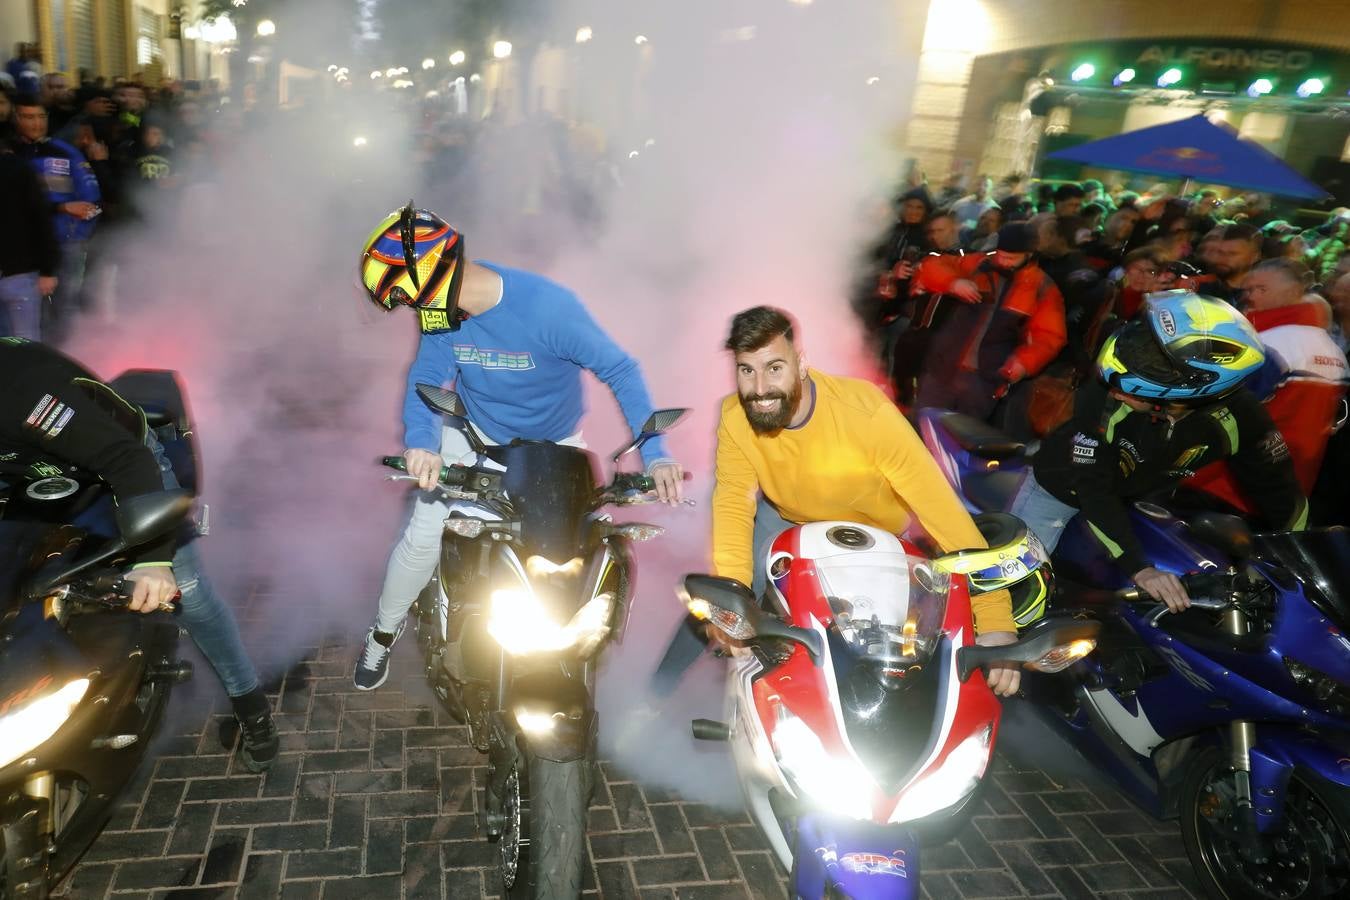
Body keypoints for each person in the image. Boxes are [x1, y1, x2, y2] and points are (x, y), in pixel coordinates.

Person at [353, 204, 684, 690]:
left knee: (574, 552)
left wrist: (655, 456)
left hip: (555, 446)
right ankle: (382, 633)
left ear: (437, 277)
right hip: (473, 438)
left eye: (412, 296)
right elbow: (426, 378)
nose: (414, 310)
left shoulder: (547, 309)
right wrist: (422, 445)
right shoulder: (441, 317)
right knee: (422, 534)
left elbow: (621, 369)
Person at [652, 307, 1022, 698]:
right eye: (747, 371)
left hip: (873, 536)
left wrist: (996, 618)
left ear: (802, 364)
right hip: (787, 521)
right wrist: (731, 599)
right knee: (716, 599)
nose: (760, 388)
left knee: (878, 639)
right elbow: (733, 502)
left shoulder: (865, 411)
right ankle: (651, 701)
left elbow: (940, 507)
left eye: (774, 368)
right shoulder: (734, 415)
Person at [0, 338, 279, 771]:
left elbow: (125, 459)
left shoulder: (18, 387)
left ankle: (253, 708)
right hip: (29, 484)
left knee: (189, 592)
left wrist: (153, 561)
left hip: (118, 469)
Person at [1010, 291, 1307, 611]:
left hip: (1135, 497)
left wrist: (1298, 562)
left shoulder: (1241, 419)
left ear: (1189, 390)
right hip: (1062, 487)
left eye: (1154, 357)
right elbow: (1091, 485)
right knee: (1014, 586)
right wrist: (1141, 568)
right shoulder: (1105, 389)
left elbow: (1281, 493)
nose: (1117, 392)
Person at [1187, 259, 1349, 509]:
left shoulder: (1268, 344)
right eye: (1248, 289)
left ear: (1295, 292)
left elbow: (1216, 415)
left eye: (1261, 289)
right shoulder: (1334, 353)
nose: (1249, 296)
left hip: (1224, 486)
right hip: (1288, 490)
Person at [911, 223, 1067, 420]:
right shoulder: (978, 264)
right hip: (943, 367)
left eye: (1011, 258)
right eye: (1000, 254)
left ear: (1029, 254)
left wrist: (1024, 363)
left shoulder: (1043, 288)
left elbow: (1049, 337)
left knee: (964, 437)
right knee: (921, 426)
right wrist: (953, 283)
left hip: (985, 379)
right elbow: (931, 265)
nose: (1002, 261)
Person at [12, 94, 100, 331]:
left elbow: (92, 202)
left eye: (41, 116)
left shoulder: (66, 153)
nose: (36, 123)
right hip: (21, 248)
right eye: (28, 117)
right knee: (23, 311)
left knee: (66, 307)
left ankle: (67, 358)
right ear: (15, 118)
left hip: (65, 245)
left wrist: (76, 236)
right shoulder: (10, 155)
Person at [0, 140, 59, 339]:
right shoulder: (21, 169)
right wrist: (48, 269)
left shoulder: (20, 170)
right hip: (20, 273)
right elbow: (41, 218)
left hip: (18, 272)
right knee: (26, 342)